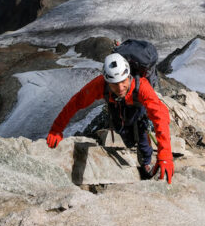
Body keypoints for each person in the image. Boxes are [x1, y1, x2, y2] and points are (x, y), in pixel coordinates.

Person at [46, 53, 174, 183]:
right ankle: (137, 146)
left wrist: (165, 155)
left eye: (123, 82)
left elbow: (160, 117)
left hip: (137, 108)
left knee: (141, 135)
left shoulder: (142, 87)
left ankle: (146, 161)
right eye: (115, 84)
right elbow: (76, 102)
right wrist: (57, 129)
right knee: (126, 136)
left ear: (129, 76)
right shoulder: (100, 85)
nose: (120, 88)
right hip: (116, 108)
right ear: (107, 81)